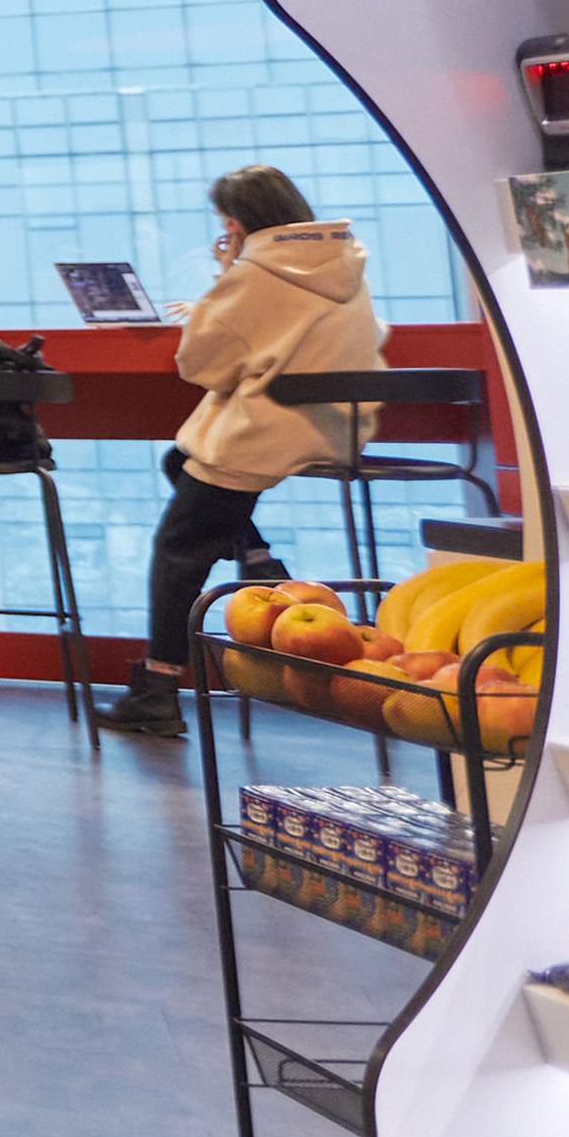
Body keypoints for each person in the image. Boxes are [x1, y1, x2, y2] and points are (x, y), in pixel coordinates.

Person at [93, 167, 385, 739]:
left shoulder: (255, 272)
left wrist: (225, 278)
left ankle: (158, 688)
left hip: (268, 430)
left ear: (234, 223)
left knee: (179, 547)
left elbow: (200, 365)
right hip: (335, 424)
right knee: (179, 462)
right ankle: (257, 559)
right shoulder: (343, 259)